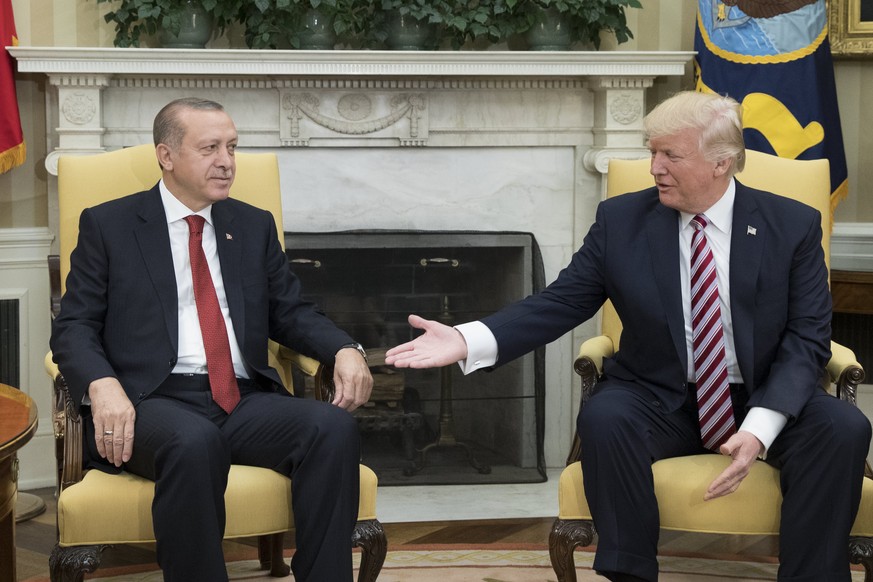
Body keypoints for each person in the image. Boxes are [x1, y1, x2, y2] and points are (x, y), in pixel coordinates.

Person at [386, 91, 872, 581]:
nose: (654, 167)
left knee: (843, 428)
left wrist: (759, 429)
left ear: (722, 162)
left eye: (670, 155)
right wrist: (469, 339)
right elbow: (561, 301)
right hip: (661, 396)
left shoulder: (791, 225)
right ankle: (630, 573)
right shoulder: (621, 221)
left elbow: (808, 336)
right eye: (651, 151)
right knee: (605, 415)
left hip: (765, 392)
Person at [50, 97, 373, 582]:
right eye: (210, 148)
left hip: (241, 399)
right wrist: (101, 384)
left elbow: (290, 312)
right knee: (194, 441)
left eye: (232, 147)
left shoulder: (251, 224)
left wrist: (345, 348)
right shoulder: (110, 224)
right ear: (166, 155)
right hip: (152, 399)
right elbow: (74, 326)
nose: (226, 161)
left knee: (332, 427)